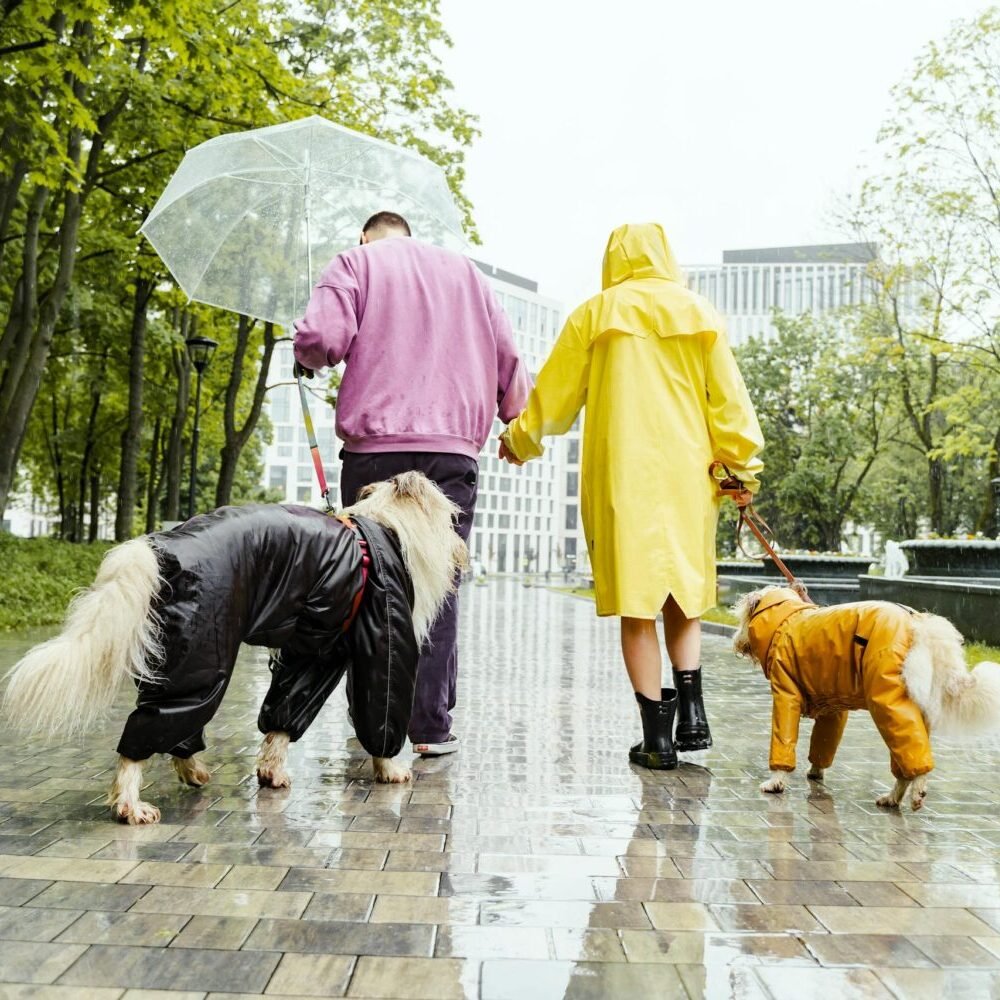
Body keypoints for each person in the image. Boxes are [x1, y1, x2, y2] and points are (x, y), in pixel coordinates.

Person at [499, 223, 763, 769]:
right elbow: (730, 403)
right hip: (689, 475)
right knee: (684, 595)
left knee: (637, 604)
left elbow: (554, 395)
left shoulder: (595, 315)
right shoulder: (700, 314)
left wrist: (520, 441)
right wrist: (741, 469)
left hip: (624, 473)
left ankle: (657, 739)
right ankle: (692, 712)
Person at [294, 210, 531, 756]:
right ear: (408, 233)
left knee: (367, 584)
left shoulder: (354, 263)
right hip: (452, 452)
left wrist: (304, 350)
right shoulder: (467, 274)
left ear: (365, 236)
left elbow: (322, 341)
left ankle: (376, 724)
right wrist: (513, 416)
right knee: (438, 584)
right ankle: (429, 726)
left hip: (377, 455)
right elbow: (508, 358)